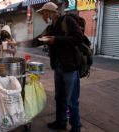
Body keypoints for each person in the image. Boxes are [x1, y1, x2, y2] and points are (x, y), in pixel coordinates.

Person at [36, 2, 83, 132]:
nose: (42, 16)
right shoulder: (51, 26)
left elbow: (78, 38)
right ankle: (61, 122)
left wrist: (56, 40)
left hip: (70, 67)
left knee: (71, 100)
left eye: (43, 13)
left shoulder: (67, 20)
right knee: (59, 97)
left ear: (50, 12)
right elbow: (37, 39)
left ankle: (76, 127)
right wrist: (18, 43)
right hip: (58, 67)